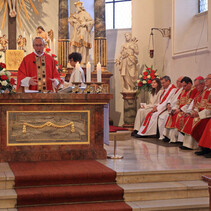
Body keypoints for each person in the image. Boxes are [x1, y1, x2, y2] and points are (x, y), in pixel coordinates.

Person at [163, 76, 198, 143]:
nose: (183, 88)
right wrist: (175, 108)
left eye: (185, 86)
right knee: (171, 114)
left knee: (178, 115)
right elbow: (178, 101)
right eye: (183, 86)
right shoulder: (183, 90)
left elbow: (189, 103)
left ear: (190, 84)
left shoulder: (193, 90)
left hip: (186, 110)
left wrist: (180, 110)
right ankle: (169, 136)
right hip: (180, 109)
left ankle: (178, 139)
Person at [179, 77, 209, 150]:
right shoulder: (201, 93)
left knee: (193, 120)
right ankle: (188, 144)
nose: (196, 88)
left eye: (197, 85)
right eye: (195, 86)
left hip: (206, 115)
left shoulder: (207, 92)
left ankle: (194, 145)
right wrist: (190, 113)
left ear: (202, 84)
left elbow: (208, 108)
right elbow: (196, 106)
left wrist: (198, 114)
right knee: (188, 118)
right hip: (200, 113)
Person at [68, 1, 94, 66]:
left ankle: (82, 61)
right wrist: (73, 21)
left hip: (83, 31)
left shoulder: (85, 13)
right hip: (76, 32)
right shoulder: (75, 15)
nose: (76, 8)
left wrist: (85, 23)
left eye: (77, 7)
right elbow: (70, 20)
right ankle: (73, 61)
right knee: (73, 45)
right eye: (76, 7)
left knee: (83, 46)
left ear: (80, 7)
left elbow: (92, 21)